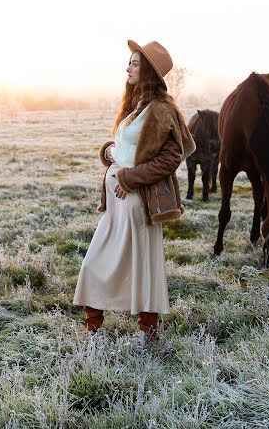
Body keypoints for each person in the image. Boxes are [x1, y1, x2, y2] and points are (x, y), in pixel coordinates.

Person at [73, 40, 195, 341]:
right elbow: (127, 148)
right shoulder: (136, 105)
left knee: (142, 265)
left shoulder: (161, 110)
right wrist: (110, 153)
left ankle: (146, 333)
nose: (128, 68)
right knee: (97, 260)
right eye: (129, 62)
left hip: (137, 201)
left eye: (135, 63)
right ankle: (94, 330)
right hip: (117, 205)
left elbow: (170, 159)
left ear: (149, 71)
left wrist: (129, 178)